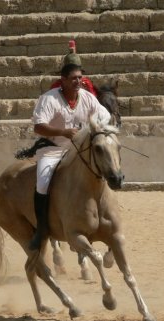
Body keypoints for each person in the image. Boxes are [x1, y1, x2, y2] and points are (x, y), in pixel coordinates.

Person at [29, 63, 111, 250]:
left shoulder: (87, 97)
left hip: (79, 150)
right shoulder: (49, 99)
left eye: (80, 77)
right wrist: (63, 132)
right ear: (63, 80)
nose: (78, 81)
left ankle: (106, 216)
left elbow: (104, 115)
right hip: (53, 149)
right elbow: (38, 127)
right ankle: (42, 229)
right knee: (42, 182)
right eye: (73, 78)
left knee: (103, 168)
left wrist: (94, 127)